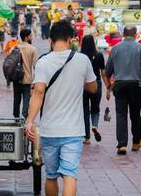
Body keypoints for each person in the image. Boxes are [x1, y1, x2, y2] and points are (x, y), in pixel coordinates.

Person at [25, 20, 97, 196]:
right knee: (70, 175)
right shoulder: (83, 60)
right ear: (70, 38)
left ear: (51, 39)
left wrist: (29, 121)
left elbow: (38, 93)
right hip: (73, 131)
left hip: (49, 130)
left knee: (51, 176)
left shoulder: (43, 62)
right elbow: (93, 88)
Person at [103, 25, 141, 155]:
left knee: (121, 114)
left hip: (120, 84)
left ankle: (122, 144)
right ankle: (136, 142)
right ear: (136, 35)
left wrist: (109, 85)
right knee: (135, 115)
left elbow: (108, 70)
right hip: (136, 84)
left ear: (123, 34)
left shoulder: (115, 49)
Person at [81, 35, 107, 144]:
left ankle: (87, 137)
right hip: (97, 83)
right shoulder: (99, 55)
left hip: (83, 84)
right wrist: (108, 87)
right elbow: (103, 73)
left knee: (85, 109)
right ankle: (95, 125)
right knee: (95, 108)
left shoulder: (80, 56)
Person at [13, 29, 38, 118]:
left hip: (16, 78)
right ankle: (24, 120)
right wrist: (34, 81)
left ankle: (16, 118)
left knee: (16, 99)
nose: (32, 37)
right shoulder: (32, 49)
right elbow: (36, 66)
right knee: (26, 100)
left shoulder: (15, 48)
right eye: (30, 36)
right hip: (27, 79)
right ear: (26, 37)